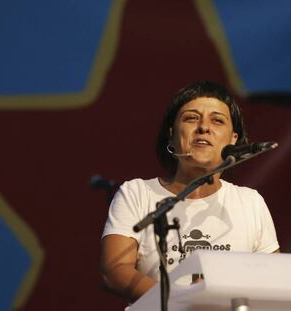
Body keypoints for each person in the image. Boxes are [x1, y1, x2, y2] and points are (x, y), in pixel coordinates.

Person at [100, 80, 280, 303]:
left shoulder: (250, 202)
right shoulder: (136, 193)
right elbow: (115, 270)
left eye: (217, 121)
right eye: (191, 118)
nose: (204, 127)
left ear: (233, 139)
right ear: (172, 136)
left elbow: (273, 280)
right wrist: (182, 301)